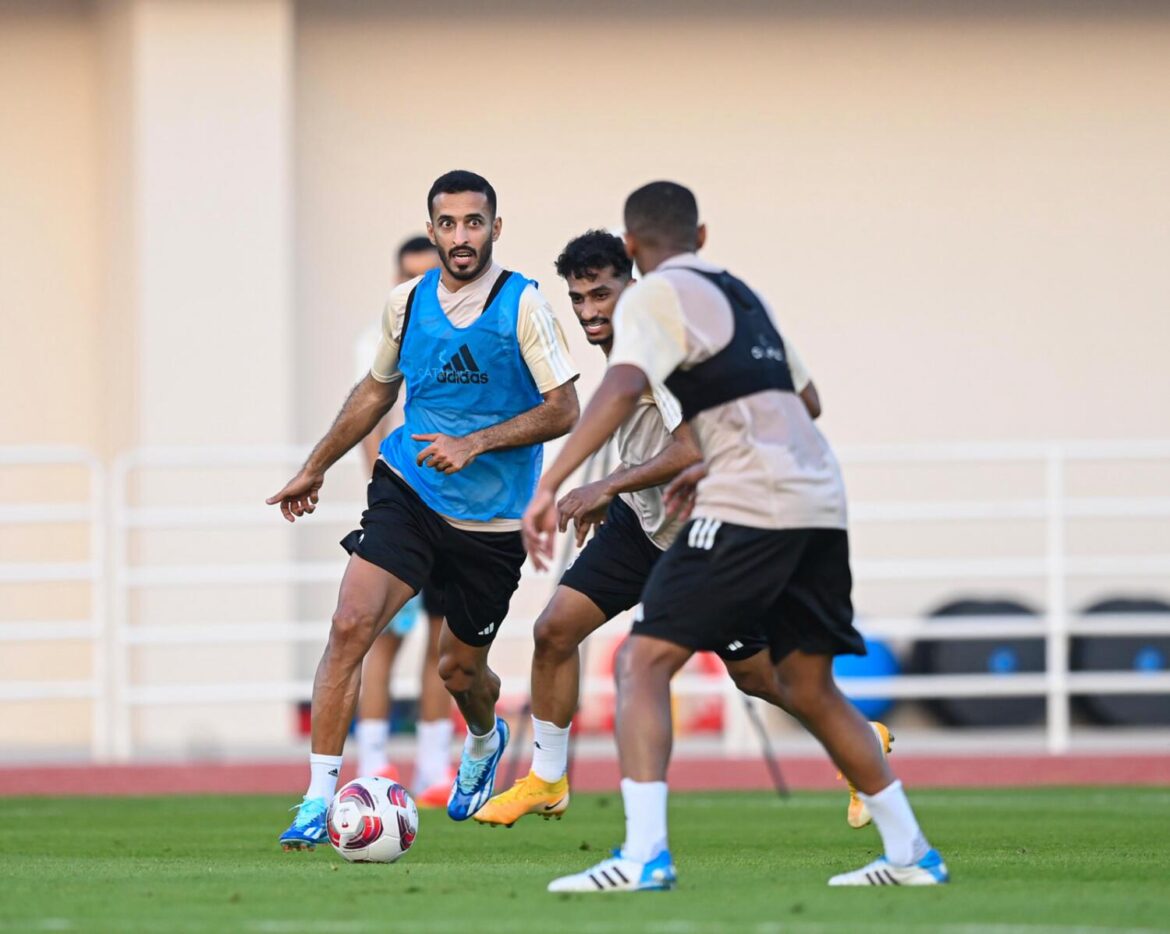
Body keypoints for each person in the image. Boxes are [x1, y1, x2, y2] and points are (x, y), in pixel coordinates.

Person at [523, 182, 947, 890]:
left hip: (754, 500)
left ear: (632, 250)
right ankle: (911, 855)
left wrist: (554, 482)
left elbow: (623, 384)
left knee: (643, 664)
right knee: (807, 686)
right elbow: (806, 401)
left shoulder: (654, 296)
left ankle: (643, 856)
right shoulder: (746, 297)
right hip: (819, 494)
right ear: (704, 236)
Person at [475, 230, 890, 830]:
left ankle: (862, 740)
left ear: (633, 286)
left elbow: (690, 447)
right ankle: (547, 778)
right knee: (555, 629)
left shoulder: (662, 348)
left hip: (702, 534)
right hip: (641, 524)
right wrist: (616, 487)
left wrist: (603, 484)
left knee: (756, 677)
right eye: (579, 298)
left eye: (601, 294)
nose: (590, 310)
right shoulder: (627, 351)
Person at [269, 170, 579, 850]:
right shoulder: (406, 303)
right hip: (408, 491)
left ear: (495, 228)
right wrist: (314, 466)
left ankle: (483, 736)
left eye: (475, 223)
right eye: (449, 223)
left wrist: (476, 442)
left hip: (492, 523)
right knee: (352, 624)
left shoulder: (523, 305)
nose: (461, 236)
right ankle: (318, 797)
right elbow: (376, 392)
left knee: (458, 671)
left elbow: (565, 408)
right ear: (433, 228)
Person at [351, 236, 456, 807]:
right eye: (408, 276)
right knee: (382, 634)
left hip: (454, 509)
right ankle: (373, 760)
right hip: (402, 509)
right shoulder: (379, 339)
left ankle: (435, 763)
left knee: (443, 640)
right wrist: (387, 500)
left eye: (427, 274)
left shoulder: (461, 334)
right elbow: (372, 422)